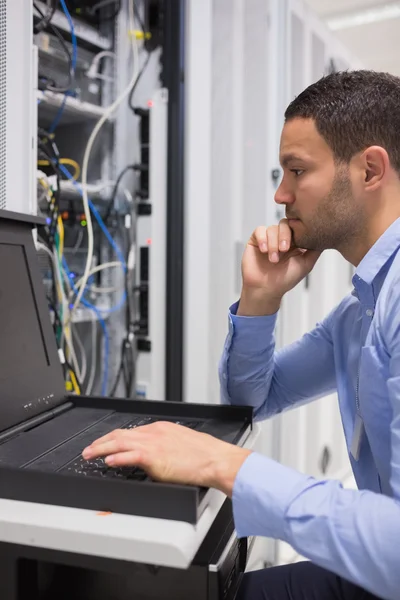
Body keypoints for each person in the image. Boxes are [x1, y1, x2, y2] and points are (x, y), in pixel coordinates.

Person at [82, 70, 400, 600]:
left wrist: (223, 464)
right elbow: (253, 398)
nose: (280, 195)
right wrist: (261, 299)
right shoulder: (360, 310)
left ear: (370, 170)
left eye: (297, 171)